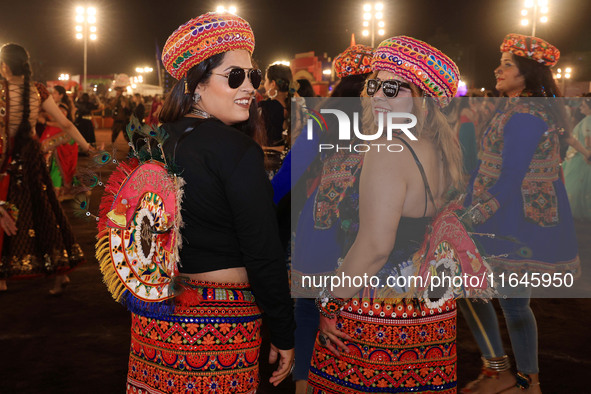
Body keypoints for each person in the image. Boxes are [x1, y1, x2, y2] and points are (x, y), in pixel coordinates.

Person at [122, 13, 295, 393]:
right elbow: (262, 251)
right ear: (196, 84)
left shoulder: (151, 142)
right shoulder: (236, 150)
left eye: (254, 75)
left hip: (156, 317)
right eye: (235, 76)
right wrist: (284, 330)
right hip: (220, 322)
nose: (250, 86)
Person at [307, 36, 463, 393]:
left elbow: (376, 245)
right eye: (375, 84)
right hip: (430, 304)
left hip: (381, 307)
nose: (378, 94)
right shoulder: (441, 146)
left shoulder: (389, 147)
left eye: (393, 87)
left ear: (422, 98)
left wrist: (329, 303)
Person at [459, 34, 581, 393]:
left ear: (527, 73)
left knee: (498, 299)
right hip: (507, 215)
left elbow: (510, 179)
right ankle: (509, 375)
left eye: (507, 63)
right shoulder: (517, 108)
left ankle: (521, 379)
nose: (498, 68)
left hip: (513, 220)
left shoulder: (527, 115)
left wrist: (467, 219)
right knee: (489, 296)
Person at [272, 43, 374, 394]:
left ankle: (304, 386)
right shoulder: (395, 120)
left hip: (325, 222)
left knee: (307, 307)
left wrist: (264, 207)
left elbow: (290, 172)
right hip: (377, 227)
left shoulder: (325, 117)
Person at [0, 43, 91, 294]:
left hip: (8, 160)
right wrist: (87, 147)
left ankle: (3, 277)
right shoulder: (38, 90)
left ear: (5, 66)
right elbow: (66, 124)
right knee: (45, 213)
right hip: (32, 159)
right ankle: (59, 274)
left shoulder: (2, 90)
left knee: (5, 211)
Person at [563, 95, 591, 220]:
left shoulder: (588, 121)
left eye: (583, 105)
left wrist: (587, 155)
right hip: (580, 156)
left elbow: (588, 141)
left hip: (582, 158)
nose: (580, 107)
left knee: (577, 188)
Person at [260, 63, 294, 146]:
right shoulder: (296, 105)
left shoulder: (266, 107)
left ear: (273, 84)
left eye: (266, 80)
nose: (264, 85)